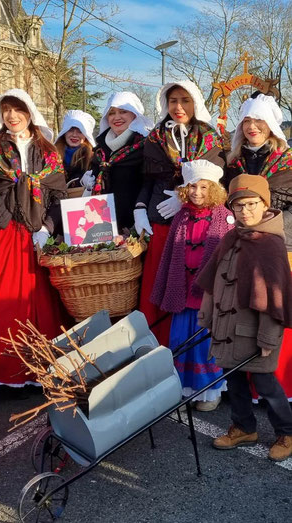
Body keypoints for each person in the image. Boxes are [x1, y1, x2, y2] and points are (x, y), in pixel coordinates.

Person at [0, 88, 68, 387]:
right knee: (0, 303)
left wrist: (48, 227)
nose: (12, 116)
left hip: (36, 232)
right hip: (2, 232)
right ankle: (2, 371)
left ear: (30, 112)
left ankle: (39, 369)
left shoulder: (49, 151)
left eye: (18, 109)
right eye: (6, 110)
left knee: (37, 302)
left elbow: (59, 194)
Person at [197, 174, 292, 461]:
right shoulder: (231, 237)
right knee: (233, 378)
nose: (245, 211)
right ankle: (243, 428)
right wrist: (207, 315)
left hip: (257, 330)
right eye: (238, 206)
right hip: (229, 326)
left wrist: (267, 337)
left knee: (265, 384)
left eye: (252, 204)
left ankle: (287, 432)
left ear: (265, 204)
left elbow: (276, 297)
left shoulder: (271, 244)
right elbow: (213, 280)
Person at [134, 81, 225, 346]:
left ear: (195, 102)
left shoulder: (209, 137)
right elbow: (148, 180)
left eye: (185, 100)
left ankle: (189, 352)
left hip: (199, 224)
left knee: (190, 287)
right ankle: (155, 344)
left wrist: (183, 197)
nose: (178, 107)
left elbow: (217, 182)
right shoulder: (155, 137)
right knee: (159, 283)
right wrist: (140, 207)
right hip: (160, 221)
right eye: (173, 101)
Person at [151, 160, 234, 411]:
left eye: (204, 187)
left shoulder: (226, 218)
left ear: (215, 189)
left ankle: (210, 391)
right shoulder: (182, 216)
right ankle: (184, 389)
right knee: (180, 340)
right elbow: (170, 255)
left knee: (205, 344)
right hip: (183, 290)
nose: (197, 192)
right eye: (193, 186)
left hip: (208, 295)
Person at [225, 93, 292, 402]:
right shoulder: (233, 162)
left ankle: (280, 390)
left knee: (275, 314)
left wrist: (269, 226)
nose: (253, 126)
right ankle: (246, 389)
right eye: (247, 120)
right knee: (247, 314)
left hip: (280, 246)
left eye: (259, 120)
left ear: (272, 126)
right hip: (242, 247)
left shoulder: (288, 163)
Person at [84, 92, 153, 231]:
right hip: (101, 226)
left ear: (135, 115)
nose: (116, 117)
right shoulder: (100, 150)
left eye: (123, 112)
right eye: (111, 113)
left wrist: (141, 209)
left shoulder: (146, 146)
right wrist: (87, 183)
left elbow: (150, 182)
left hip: (135, 224)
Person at [55, 110, 95, 187]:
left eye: (80, 131)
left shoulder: (92, 158)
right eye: (70, 130)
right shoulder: (52, 155)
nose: (74, 135)